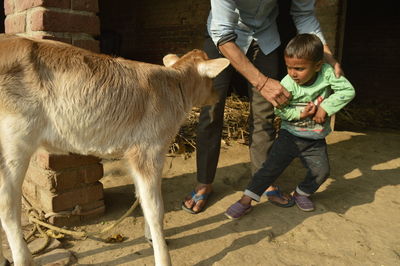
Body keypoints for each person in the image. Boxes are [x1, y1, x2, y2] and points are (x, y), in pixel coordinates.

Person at [182, 0, 344, 214]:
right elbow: (222, 33)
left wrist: (328, 57)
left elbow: (304, 15)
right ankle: (204, 182)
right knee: (210, 113)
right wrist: (263, 82)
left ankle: (262, 180)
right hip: (223, 39)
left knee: (264, 115)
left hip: (265, 38)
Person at [224, 33, 355, 219]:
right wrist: (300, 114)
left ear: (317, 65)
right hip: (290, 136)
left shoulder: (326, 73)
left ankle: (301, 193)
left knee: (322, 172)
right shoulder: (287, 83)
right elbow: (280, 111)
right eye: (289, 67)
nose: (293, 73)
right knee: (269, 169)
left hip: (315, 139)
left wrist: (325, 107)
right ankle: (245, 201)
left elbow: (347, 90)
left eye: (299, 68)